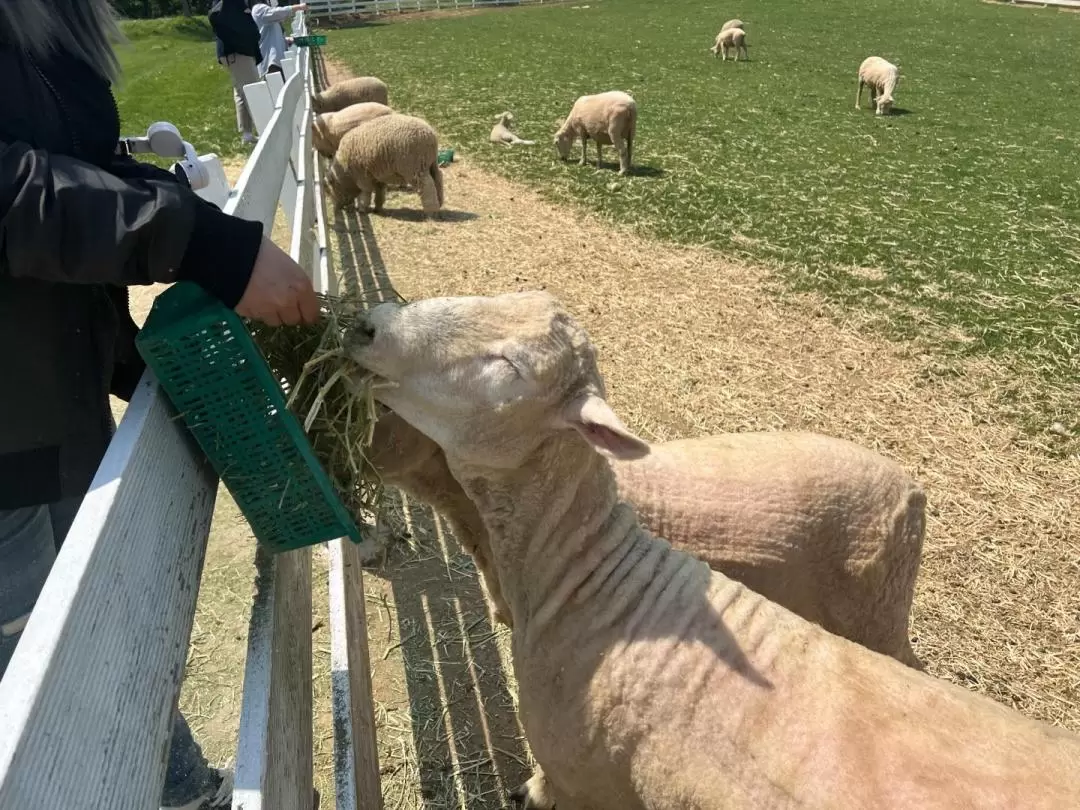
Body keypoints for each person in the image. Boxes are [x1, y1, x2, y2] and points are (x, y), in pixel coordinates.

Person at [0, 1, 320, 808]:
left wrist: (209, 239)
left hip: (48, 395)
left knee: (96, 626)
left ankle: (179, 790)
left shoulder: (45, 24)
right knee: (35, 681)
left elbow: (77, 163)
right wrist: (205, 243)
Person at [209, 0, 263, 145]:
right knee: (252, 90)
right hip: (238, 53)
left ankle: (247, 134)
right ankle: (265, 130)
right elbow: (217, 16)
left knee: (241, 92)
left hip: (235, 54)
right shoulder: (228, 4)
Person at [251, 1, 308, 78]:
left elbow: (270, 35)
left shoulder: (264, 14)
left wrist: (285, 40)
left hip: (275, 62)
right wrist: (299, 7)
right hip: (271, 63)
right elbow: (277, 13)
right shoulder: (258, 8)